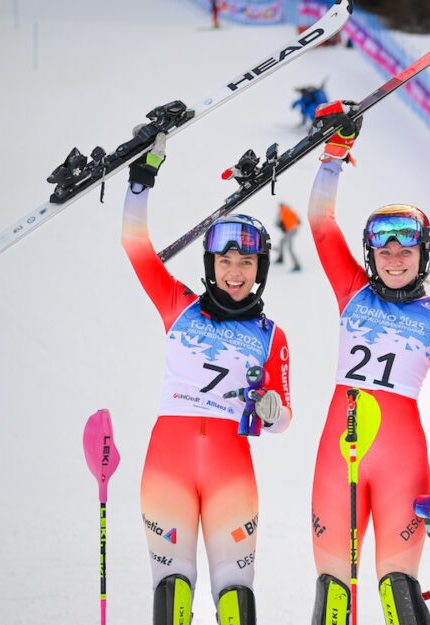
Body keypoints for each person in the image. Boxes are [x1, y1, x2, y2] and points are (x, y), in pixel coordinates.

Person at [305, 101, 430, 625]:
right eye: (385, 250)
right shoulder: (352, 291)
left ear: (423, 255)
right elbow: (319, 221)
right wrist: (334, 154)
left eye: (407, 250)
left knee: (399, 590)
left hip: (403, 464)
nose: (395, 259)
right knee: (334, 594)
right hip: (338, 458)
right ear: (370, 256)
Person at [121, 132, 293, 625]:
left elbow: (283, 418)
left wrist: (272, 411)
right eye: (225, 261)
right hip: (169, 464)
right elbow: (136, 246)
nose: (234, 272)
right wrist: (143, 173)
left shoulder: (271, 335)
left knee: (235, 593)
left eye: (246, 262)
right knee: (172, 588)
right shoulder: (179, 307)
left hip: (230, 468)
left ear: (259, 269)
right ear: (210, 265)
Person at [274, 201, 302, 272]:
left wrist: (283, 226)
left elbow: (277, 223)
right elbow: (299, 221)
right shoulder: (290, 211)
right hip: (294, 229)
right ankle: (281, 258)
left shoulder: (282, 212)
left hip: (290, 230)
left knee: (289, 247)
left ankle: (297, 265)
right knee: (282, 241)